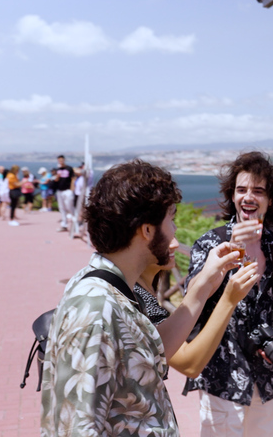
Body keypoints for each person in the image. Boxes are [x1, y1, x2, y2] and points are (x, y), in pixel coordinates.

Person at [41, 160, 182, 436]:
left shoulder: (113, 289)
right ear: (148, 230)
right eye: (171, 219)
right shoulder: (96, 307)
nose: (175, 230)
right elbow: (77, 428)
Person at [183, 151, 273, 436]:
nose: (248, 197)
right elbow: (192, 295)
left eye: (258, 190)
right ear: (232, 196)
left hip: (265, 379)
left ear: (269, 200)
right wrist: (228, 251)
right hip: (222, 374)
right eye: (241, 190)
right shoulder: (210, 242)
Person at [135, 241, 259, 378]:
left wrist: (208, 282)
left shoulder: (139, 291)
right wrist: (229, 300)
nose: (175, 244)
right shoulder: (135, 298)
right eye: (167, 235)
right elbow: (189, 365)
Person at [54, 155, 75, 231]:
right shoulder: (58, 169)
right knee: (62, 208)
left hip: (67, 190)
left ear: (64, 160)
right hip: (60, 190)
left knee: (69, 206)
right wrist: (57, 176)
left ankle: (75, 223)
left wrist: (72, 189)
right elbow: (56, 180)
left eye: (62, 160)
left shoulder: (69, 168)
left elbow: (73, 179)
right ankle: (64, 225)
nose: (61, 161)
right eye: (59, 160)